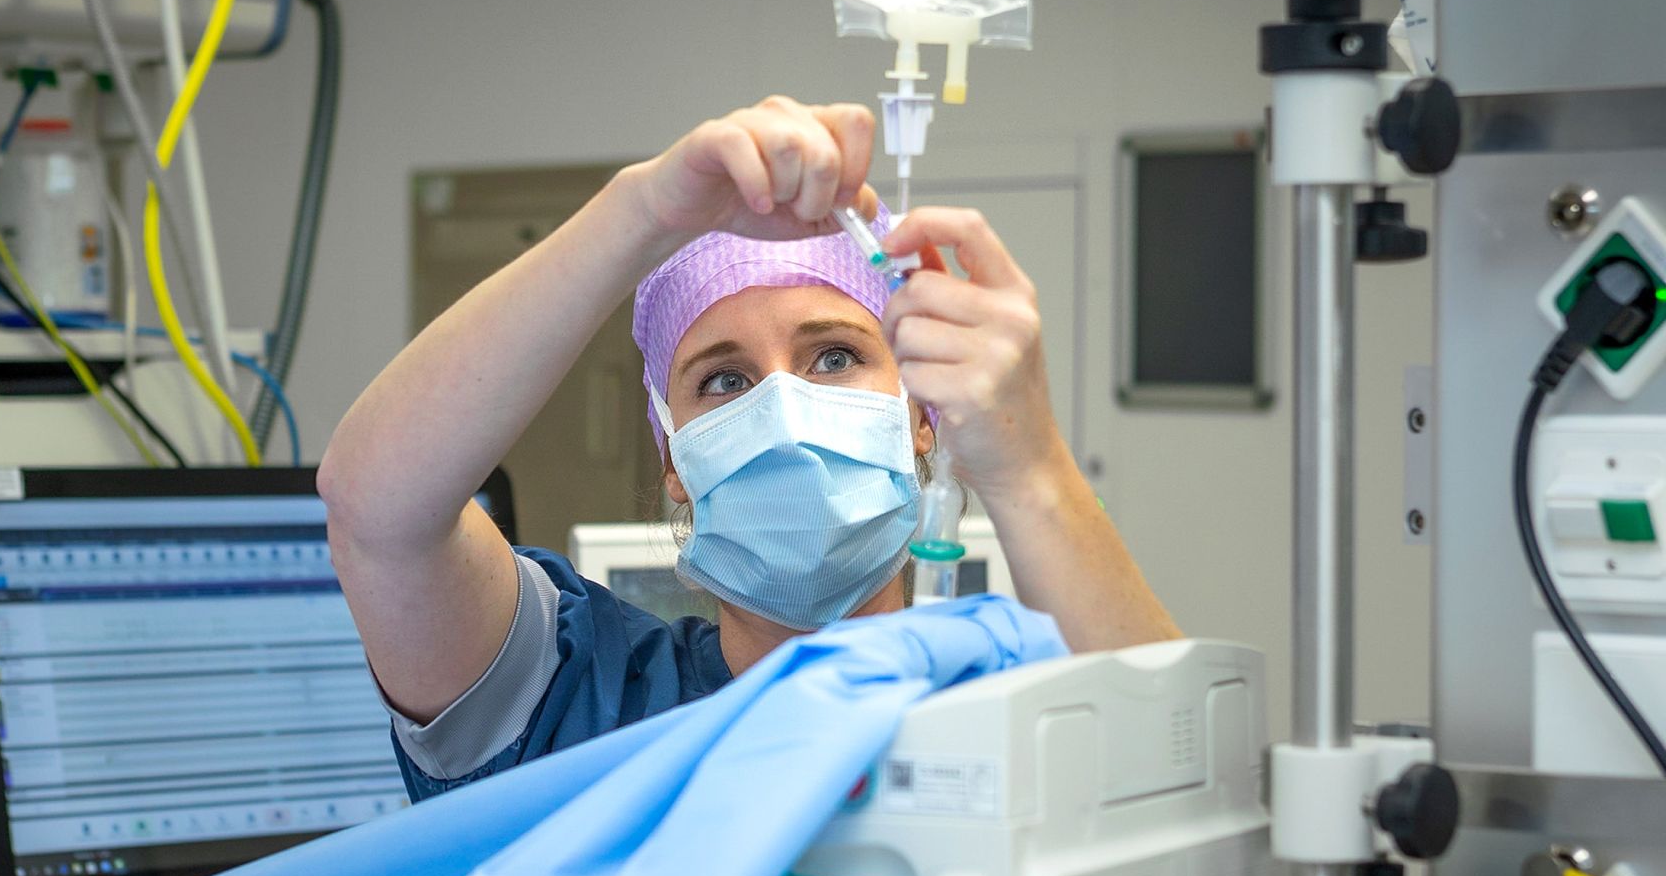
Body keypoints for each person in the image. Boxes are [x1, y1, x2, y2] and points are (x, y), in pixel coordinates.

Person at [319, 96, 1178, 799]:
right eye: (724, 382)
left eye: (834, 357)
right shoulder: (580, 705)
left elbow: (1181, 777)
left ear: (923, 416)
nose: (784, 411)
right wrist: (641, 213)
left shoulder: (1015, 696)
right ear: (675, 464)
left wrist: (1032, 471)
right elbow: (377, 514)